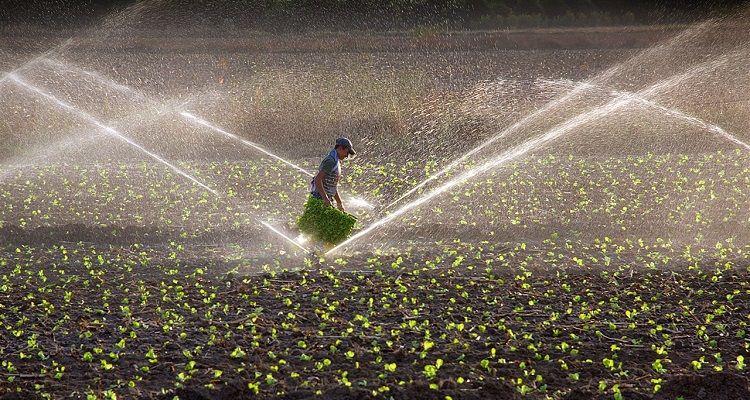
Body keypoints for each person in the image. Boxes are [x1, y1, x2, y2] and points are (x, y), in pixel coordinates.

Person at [310, 137, 356, 211]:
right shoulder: (331, 161)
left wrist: (339, 202)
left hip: (324, 199)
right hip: (319, 199)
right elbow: (318, 179)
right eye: (347, 152)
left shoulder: (335, 161)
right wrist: (325, 199)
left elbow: (332, 186)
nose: (347, 156)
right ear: (340, 148)